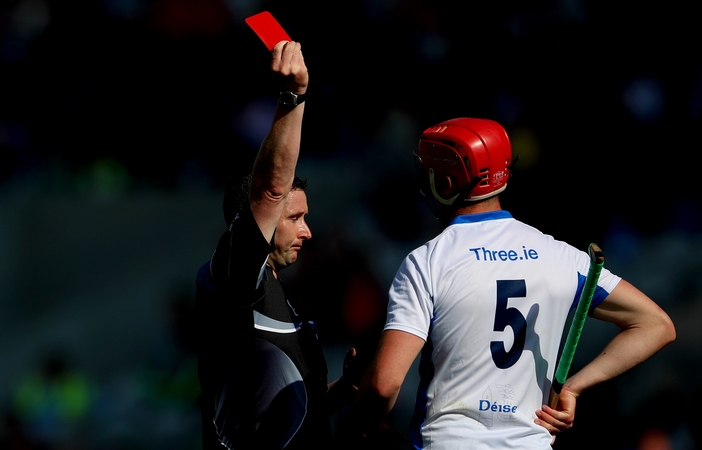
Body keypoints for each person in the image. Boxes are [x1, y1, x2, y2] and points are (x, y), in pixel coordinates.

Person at [337, 117, 677, 449]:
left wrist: (356, 427)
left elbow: (384, 385)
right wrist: (573, 388)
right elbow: (655, 325)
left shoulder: (428, 261)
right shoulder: (562, 257)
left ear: (447, 184)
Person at [195, 40, 362, 450]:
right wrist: (294, 96)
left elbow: (290, 413)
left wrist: (349, 387)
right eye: (294, 218)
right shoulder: (234, 279)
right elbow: (270, 188)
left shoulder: (274, 295)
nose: (307, 232)